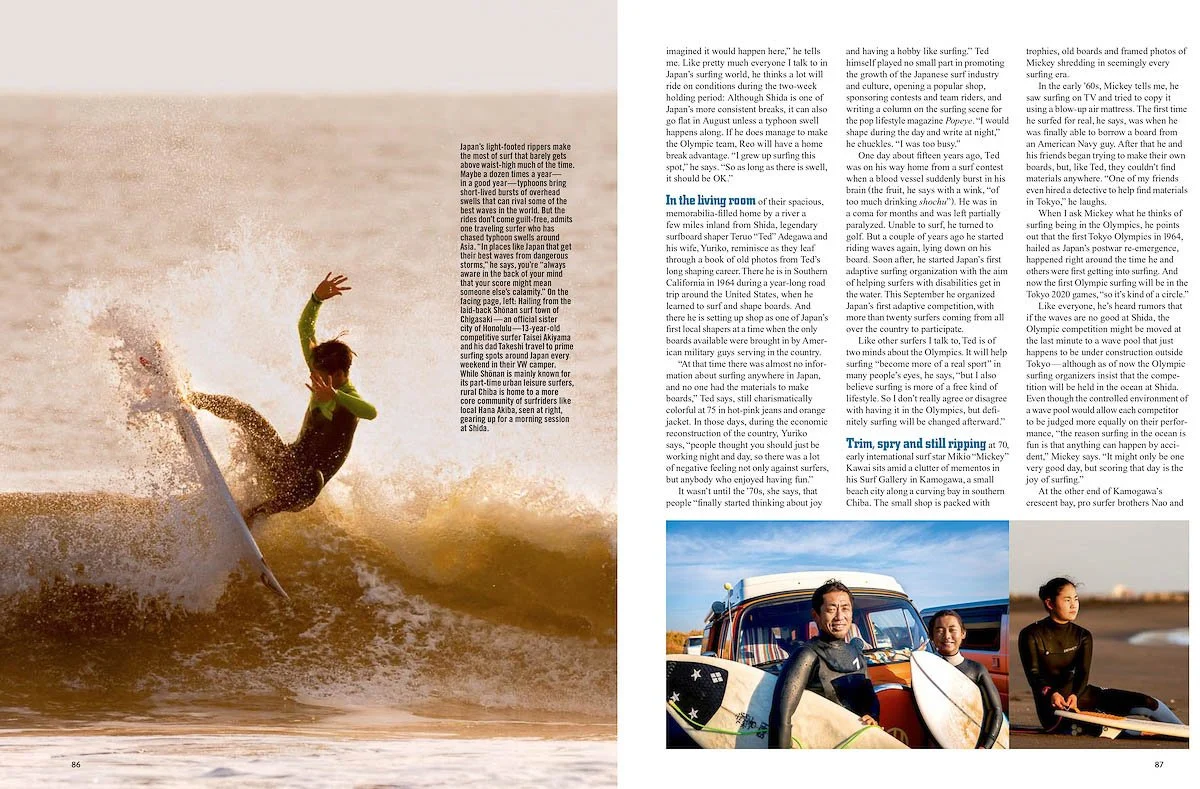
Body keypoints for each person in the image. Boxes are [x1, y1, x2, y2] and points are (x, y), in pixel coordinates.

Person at [190, 272, 377, 524]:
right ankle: (189, 397)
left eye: (320, 376)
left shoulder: (349, 399)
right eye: (313, 372)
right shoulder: (320, 366)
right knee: (245, 412)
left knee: (315, 481)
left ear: (340, 374)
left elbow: (371, 412)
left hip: (300, 490)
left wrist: (335, 395)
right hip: (285, 463)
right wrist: (316, 299)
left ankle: (257, 513)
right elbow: (305, 329)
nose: (313, 378)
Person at [1017, 577, 1183, 733]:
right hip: (1055, 711)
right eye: (1067, 600)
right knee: (1112, 731)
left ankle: (1183, 730)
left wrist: (1075, 694)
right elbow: (1033, 675)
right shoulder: (1031, 634)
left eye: (1076, 598)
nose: (1074, 605)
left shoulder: (1082, 635)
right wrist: (1052, 693)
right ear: (1050, 603)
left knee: (1148, 703)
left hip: (1082, 695)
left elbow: (1083, 672)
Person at [768, 579, 880, 748]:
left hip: (855, 742)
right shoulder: (806, 655)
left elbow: (870, 699)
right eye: (831, 609)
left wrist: (871, 716)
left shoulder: (856, 653)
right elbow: (781, 716)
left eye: (845, 608)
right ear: (816, 616)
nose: (839, 617)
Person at [928, 609, 1004, 748]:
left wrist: (985, 746)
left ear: (963, 633)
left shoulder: (976, 670)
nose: (946, 636)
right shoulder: (925, 670)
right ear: (931, 636)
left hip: (970, 742)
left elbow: (995, 710)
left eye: (952, 630)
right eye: (939, 630)